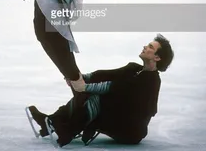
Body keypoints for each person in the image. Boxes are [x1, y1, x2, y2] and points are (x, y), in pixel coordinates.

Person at [27, 34, 174, 147]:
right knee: (90, 95)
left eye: (150, 47)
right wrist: (79, 78)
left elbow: (114, 87)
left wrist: (84, 86)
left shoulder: (152, 81)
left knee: (97, 97)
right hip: (117, 118)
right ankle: (51, 123)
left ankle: (67, 131)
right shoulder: (134, 69)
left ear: (157, 57)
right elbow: (105, 74)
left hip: (130, 130)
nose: (145, 47)